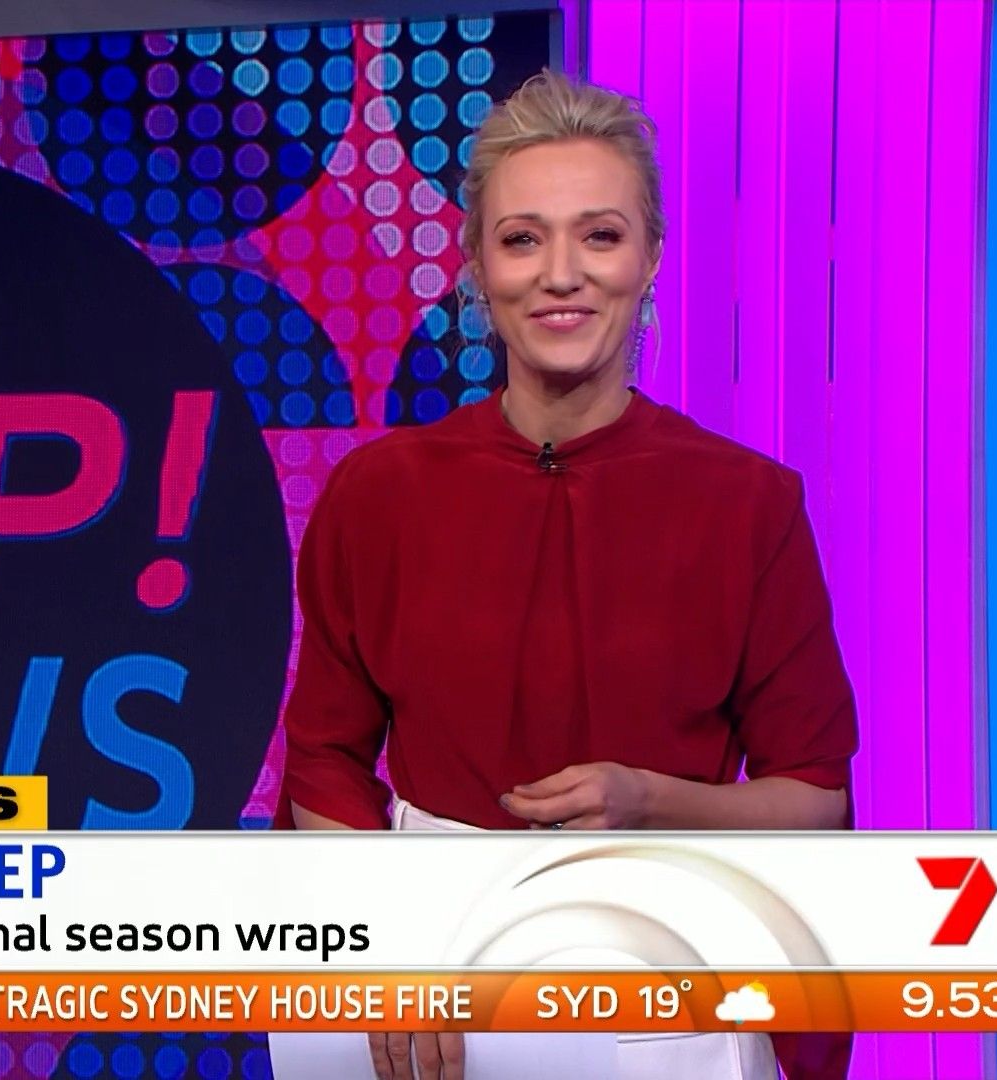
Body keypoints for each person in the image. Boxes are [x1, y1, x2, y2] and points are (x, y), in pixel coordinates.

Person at [273, 71, 860, 1080]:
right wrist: (389, 945)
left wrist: (650, 799)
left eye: (599, 235)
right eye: (522, 239)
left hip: (665, 974)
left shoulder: (748, 502)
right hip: (433, 976)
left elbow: (814, 797)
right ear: (475, 265)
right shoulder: (380, 492)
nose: (561, 275)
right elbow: (323, 758)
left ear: (651, 257)